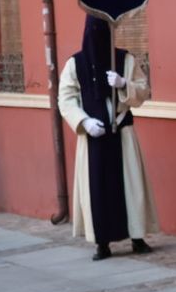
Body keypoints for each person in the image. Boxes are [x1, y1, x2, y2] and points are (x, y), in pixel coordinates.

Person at [58, 16, 159, 260]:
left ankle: (137, 236)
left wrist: (124, 83)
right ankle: (101, 243)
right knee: (97, 189)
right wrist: (84, 122)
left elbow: (143, 90)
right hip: (93, 137)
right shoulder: (75, 64)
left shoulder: (125, 60)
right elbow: (66, 98)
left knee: (130, 186)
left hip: (121, 132)